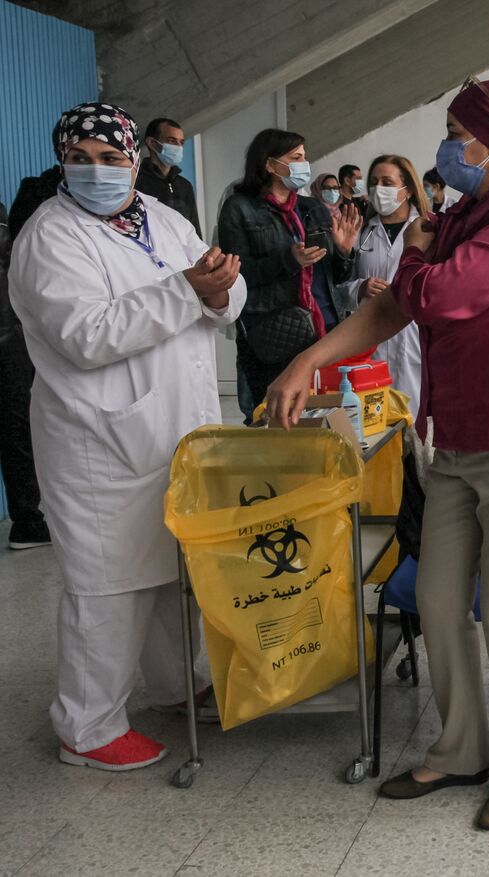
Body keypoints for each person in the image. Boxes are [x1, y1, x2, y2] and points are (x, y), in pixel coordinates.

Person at [266, 78, 489, 830]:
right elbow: (391, 307)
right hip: (455, 441)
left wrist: (412, 249)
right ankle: (462, 747)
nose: (448, 149)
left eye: (458, 135)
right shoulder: (464, 214)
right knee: (438, 600)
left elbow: (436, 297)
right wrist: (307, 361)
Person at [8, 102, 246, 770]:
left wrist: (221, 291)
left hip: (177, 429)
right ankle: (87, 726)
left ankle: (177, 683)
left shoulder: (164, 218)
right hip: (100, 439)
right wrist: (188, 292)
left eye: (111, 159)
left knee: (173, 569)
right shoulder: (49, 236)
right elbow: (87, 335)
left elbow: (224, 282)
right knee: (110, 584)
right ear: (61, 161)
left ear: (135, 161)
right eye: (80, 159)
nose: (98, 171)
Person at [217, 128, 360, 412]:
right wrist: (288, 260)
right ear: (270, 165)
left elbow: (335, 277)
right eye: (295, 158)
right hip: (276, 330)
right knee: (276, 413)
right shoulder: (240, 207)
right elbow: (237, 275)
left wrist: (344, 252)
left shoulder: (312, 208)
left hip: (325, 324)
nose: (303, 165)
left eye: (304, 158)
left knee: (328, 413)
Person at [343, 154, 431, 414]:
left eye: (387, 182)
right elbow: (336, 287)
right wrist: (359, 288)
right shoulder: (359, 230)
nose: (378, 189)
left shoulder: (428, 228)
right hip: (369, 335)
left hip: (414, 335)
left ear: (407, 190)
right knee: (374, 419)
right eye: (374, 182)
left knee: (417, 420)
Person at [0, 198, 50, 550]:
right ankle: (27, 519)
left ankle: (28, 520)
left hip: (9, 333)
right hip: (7, 334)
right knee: (17, 427)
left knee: (19, 427)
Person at [134, 117, 200, 235]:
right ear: (152, 143)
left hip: (185, 252)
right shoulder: (135, 182)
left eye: (181, 142)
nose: (178, 147)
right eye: (172, 141)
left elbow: (194, 229)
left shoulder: (185, 185)